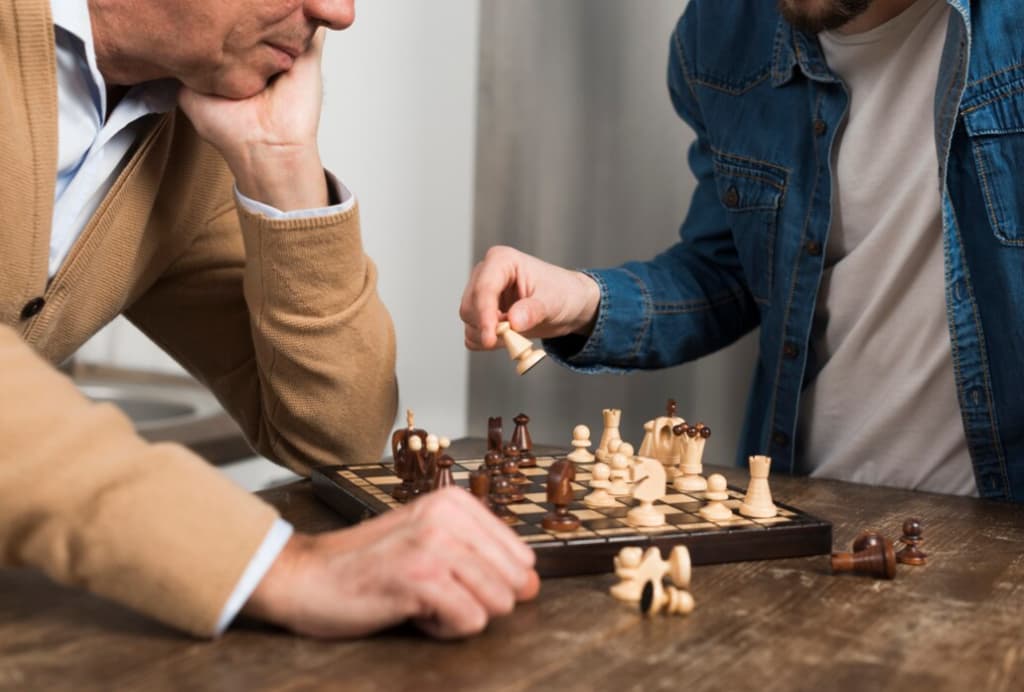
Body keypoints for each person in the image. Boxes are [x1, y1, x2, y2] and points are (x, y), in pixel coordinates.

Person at [0, 0, 537, 639]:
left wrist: (279, 162)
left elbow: (336, 440)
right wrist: (271, 567)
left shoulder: (178, 148)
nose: (338, 14)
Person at [460, 0, 1024, 502]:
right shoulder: (720, 31)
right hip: (802, 509)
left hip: (995, 533)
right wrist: (580, 298)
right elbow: (730, 270)